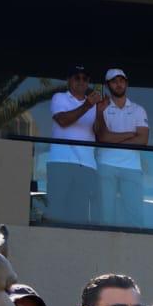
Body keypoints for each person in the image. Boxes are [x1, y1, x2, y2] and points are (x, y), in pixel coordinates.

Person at [93, 68, 149, 228]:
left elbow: (143, 140)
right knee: (105, 217)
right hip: (105, 165)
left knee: (135, 217)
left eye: (121, 80)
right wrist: (130, 134)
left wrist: (113, 139)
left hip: (132, 167)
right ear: (107, 85)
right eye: (114, 81)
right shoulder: (101, 108)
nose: (118, 84)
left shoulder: (138, 109)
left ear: (126, 83)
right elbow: (102, 137)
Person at [47, 66, 100, 225]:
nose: (81, 81)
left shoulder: (95, 105)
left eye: (85, 78)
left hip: (86, 165)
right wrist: (88, 105)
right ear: (69, 80)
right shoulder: (59, 97)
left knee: (80, 215)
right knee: (56, 211)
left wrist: (103, 109)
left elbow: (100, 132)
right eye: (77, 77)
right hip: (60, 162)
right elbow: (62, 121)